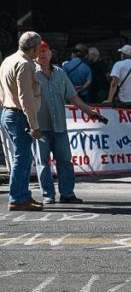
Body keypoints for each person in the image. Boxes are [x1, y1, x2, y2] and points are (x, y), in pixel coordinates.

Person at [33, 42, 103, 204]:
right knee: (42, 162)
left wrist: (89, 111)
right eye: (39, 52)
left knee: (65, 161)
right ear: (34, 55)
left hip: (59, 126)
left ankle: (67, 194)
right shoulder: (30, 73)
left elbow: (73, 97)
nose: (43, 54)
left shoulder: (60, 73)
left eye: (45, 51)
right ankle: (48, 195)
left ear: (50, 53)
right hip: (39, 126)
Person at [1, 32, 45, 211]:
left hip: (8, 112)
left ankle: (23, 195)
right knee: (22, 158)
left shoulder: (8, 60)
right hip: (19, 115)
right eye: (39, 48)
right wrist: (34, 125)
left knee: (24, 158)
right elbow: (25, 97)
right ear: (34, 48)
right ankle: (18, 198)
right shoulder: (25, 64)